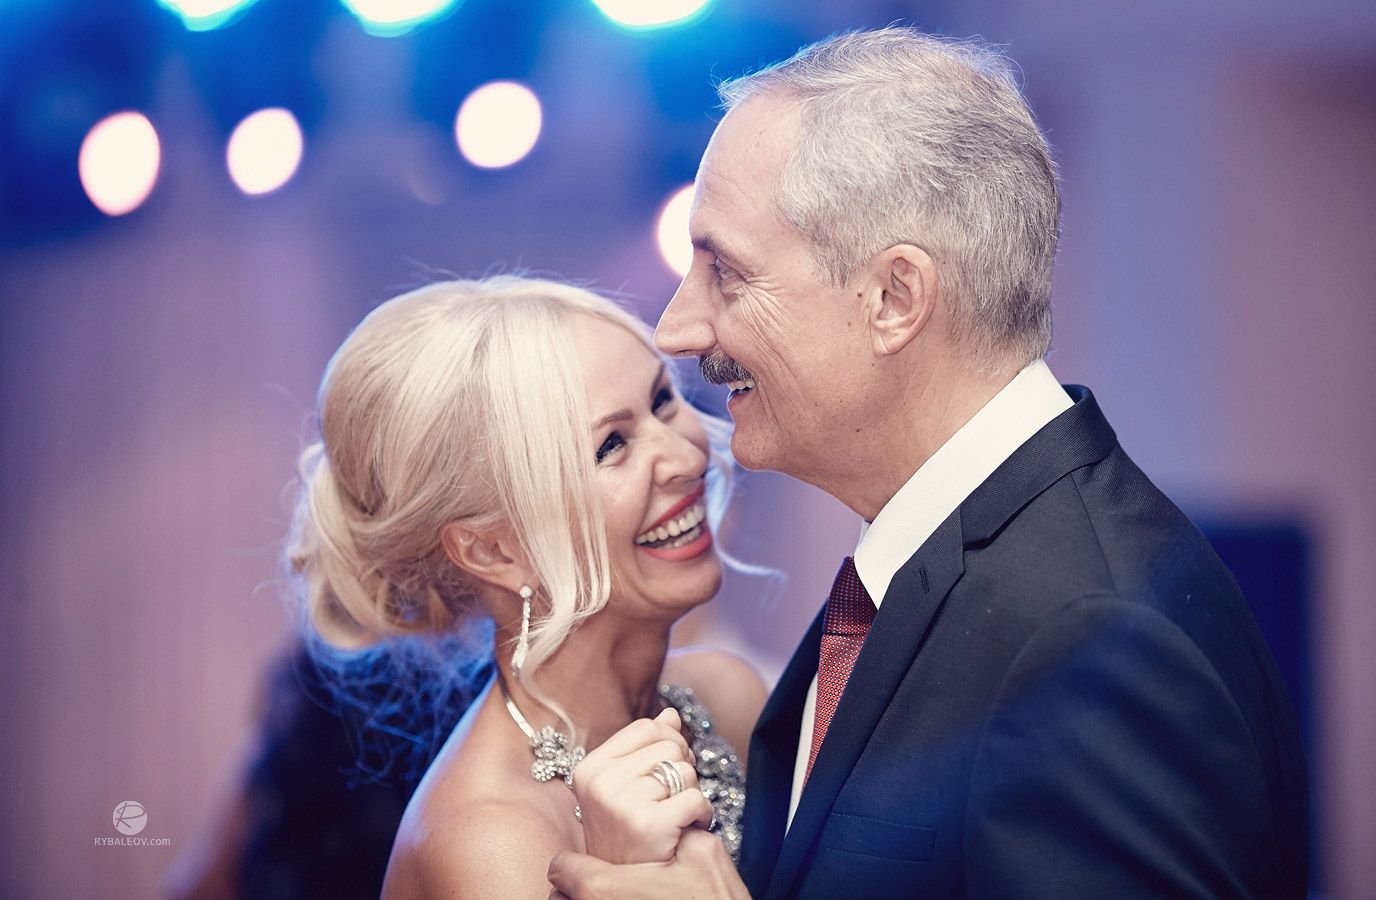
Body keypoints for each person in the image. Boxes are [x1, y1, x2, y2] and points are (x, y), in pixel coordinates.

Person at [548, 27, 1309, 899]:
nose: (678, 328)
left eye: (727, 273)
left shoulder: (1088, 638)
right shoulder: (953, 572)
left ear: (894, 298)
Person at [284, 276, 768, 899]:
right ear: (493, 550)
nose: (688, 457)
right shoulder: (490, 843)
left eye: (662, 400)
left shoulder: (727, 695)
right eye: (610, 445)